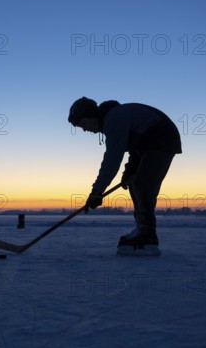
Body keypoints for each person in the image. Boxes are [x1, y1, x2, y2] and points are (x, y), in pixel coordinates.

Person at [68, 97, 182, 255]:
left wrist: (97, 191)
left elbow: (112, 159)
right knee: (136, 182)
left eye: (83, 124)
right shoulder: (114, 118)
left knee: (142, 184)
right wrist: (129, 171)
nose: (85, 130)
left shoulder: (113, 119)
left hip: (162, 138)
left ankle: (147, 235)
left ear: (91, 115)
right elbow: (137, 145)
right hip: (150, 143)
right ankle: (142, 228)